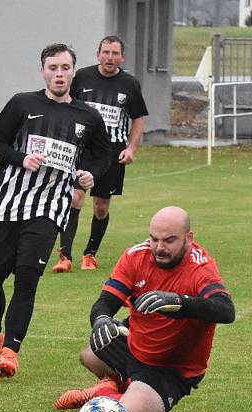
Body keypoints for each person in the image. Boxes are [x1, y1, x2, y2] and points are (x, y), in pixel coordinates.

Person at [0, 43, 110, 379]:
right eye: (53, 68)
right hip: (8, 204)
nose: (59, 74)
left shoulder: (87, 117)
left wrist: (90, 172)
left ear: (73, 71)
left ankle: (10, 353)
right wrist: (21, 159)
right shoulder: (23, 104)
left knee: (27, 279)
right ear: (43, 71)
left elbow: (103, 155)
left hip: (49, 208)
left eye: (65, 68)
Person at [54, 207, 235, 412]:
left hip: (170, 369)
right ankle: (109, 387)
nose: (159, 248)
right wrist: (101, 320)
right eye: (154, 239)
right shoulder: (136, 256)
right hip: (134, 348)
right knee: (89, 355)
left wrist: (178, 302)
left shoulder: (200, 267)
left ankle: (105, 397)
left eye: (169, 240)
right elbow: (105, 303)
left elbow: (225, 309)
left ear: (189, 238)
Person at [51, 35, 148, 273]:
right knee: (75, 197)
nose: (110, 57)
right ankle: (65, 256)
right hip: (81, 149)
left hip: (112, 153)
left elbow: (138, 117)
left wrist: (131, 147)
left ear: (122, 57)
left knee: (101, 207)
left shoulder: (129, 84)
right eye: (106, 52)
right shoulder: (82, 77)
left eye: (115, 53)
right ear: (98, 54)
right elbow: (64, 102)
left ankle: (90, 254)